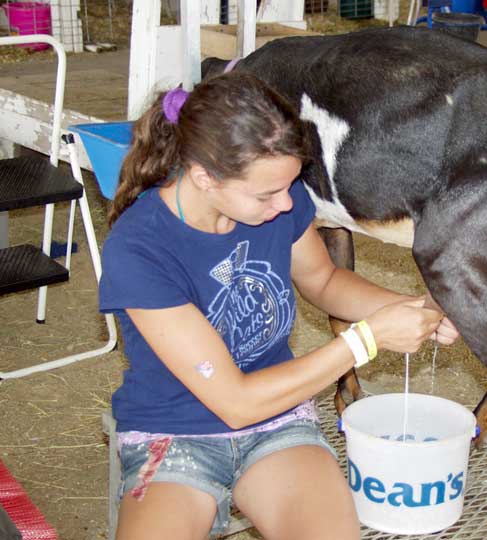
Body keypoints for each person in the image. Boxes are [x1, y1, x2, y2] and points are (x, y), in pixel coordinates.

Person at [99, 71, 459, 540]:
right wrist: (367, 338)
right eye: (266, 193)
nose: (285, 206)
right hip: (173, 433)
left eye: (289, 187)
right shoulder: (140, 248)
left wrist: (416, 308)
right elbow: (235, 402)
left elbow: (324, 279)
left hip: (277, 423)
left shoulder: (270, 205)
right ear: (205, 177)